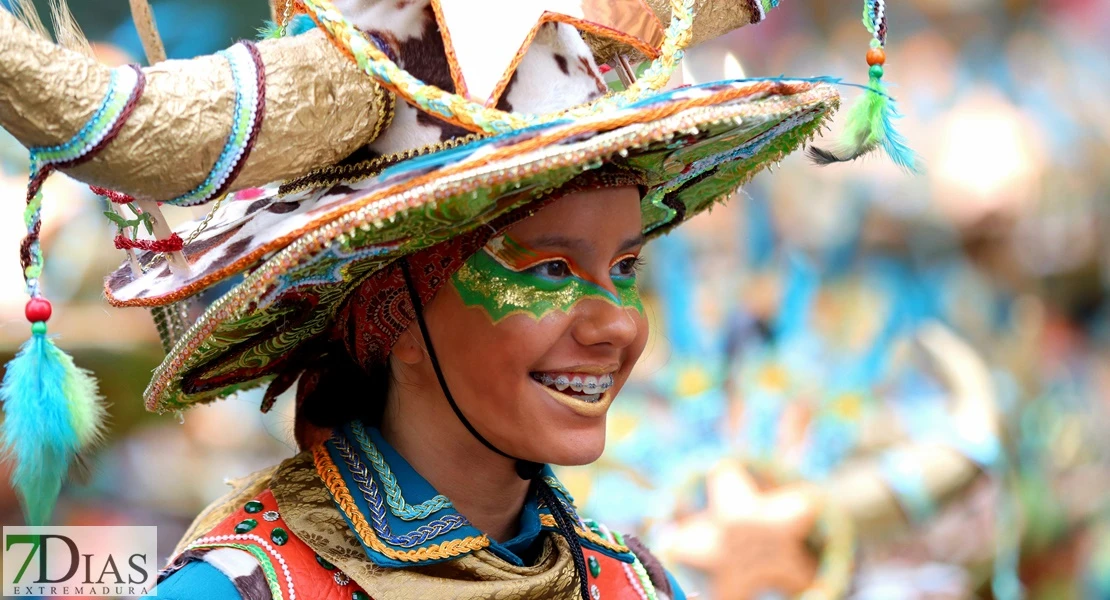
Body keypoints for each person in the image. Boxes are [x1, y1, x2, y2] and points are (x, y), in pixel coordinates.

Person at [0, 0, 910, 597]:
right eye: (551, 271)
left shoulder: (632, 583)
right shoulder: (244, 588)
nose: (617, 324)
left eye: (625, 267)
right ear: (392, 309)